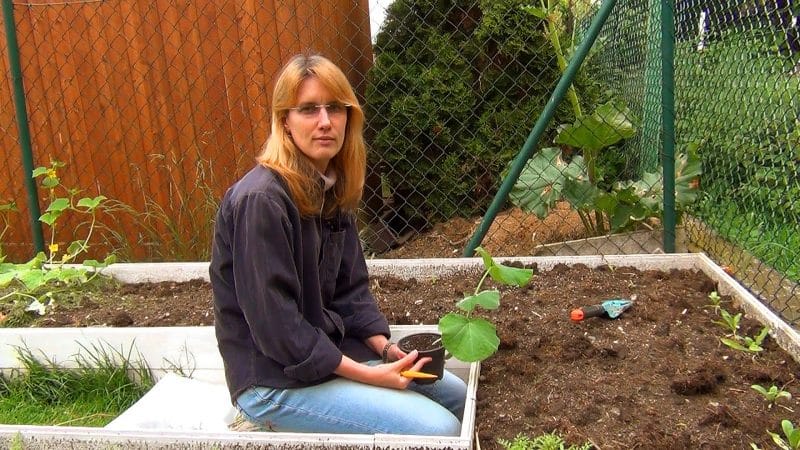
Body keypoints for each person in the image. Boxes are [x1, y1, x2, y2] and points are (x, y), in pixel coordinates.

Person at [209, 54, 466, 436]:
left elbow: (351, 292)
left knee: (455, 393)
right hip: (272, 379)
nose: (326, 121)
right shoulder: (261, 201)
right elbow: (278, 328)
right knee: (439, 429)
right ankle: (261, 422)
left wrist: (384, 350)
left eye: (336, 108)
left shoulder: (329, 188)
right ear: (285, 122)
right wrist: (368, 375)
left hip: (324, 356)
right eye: (309, 109)